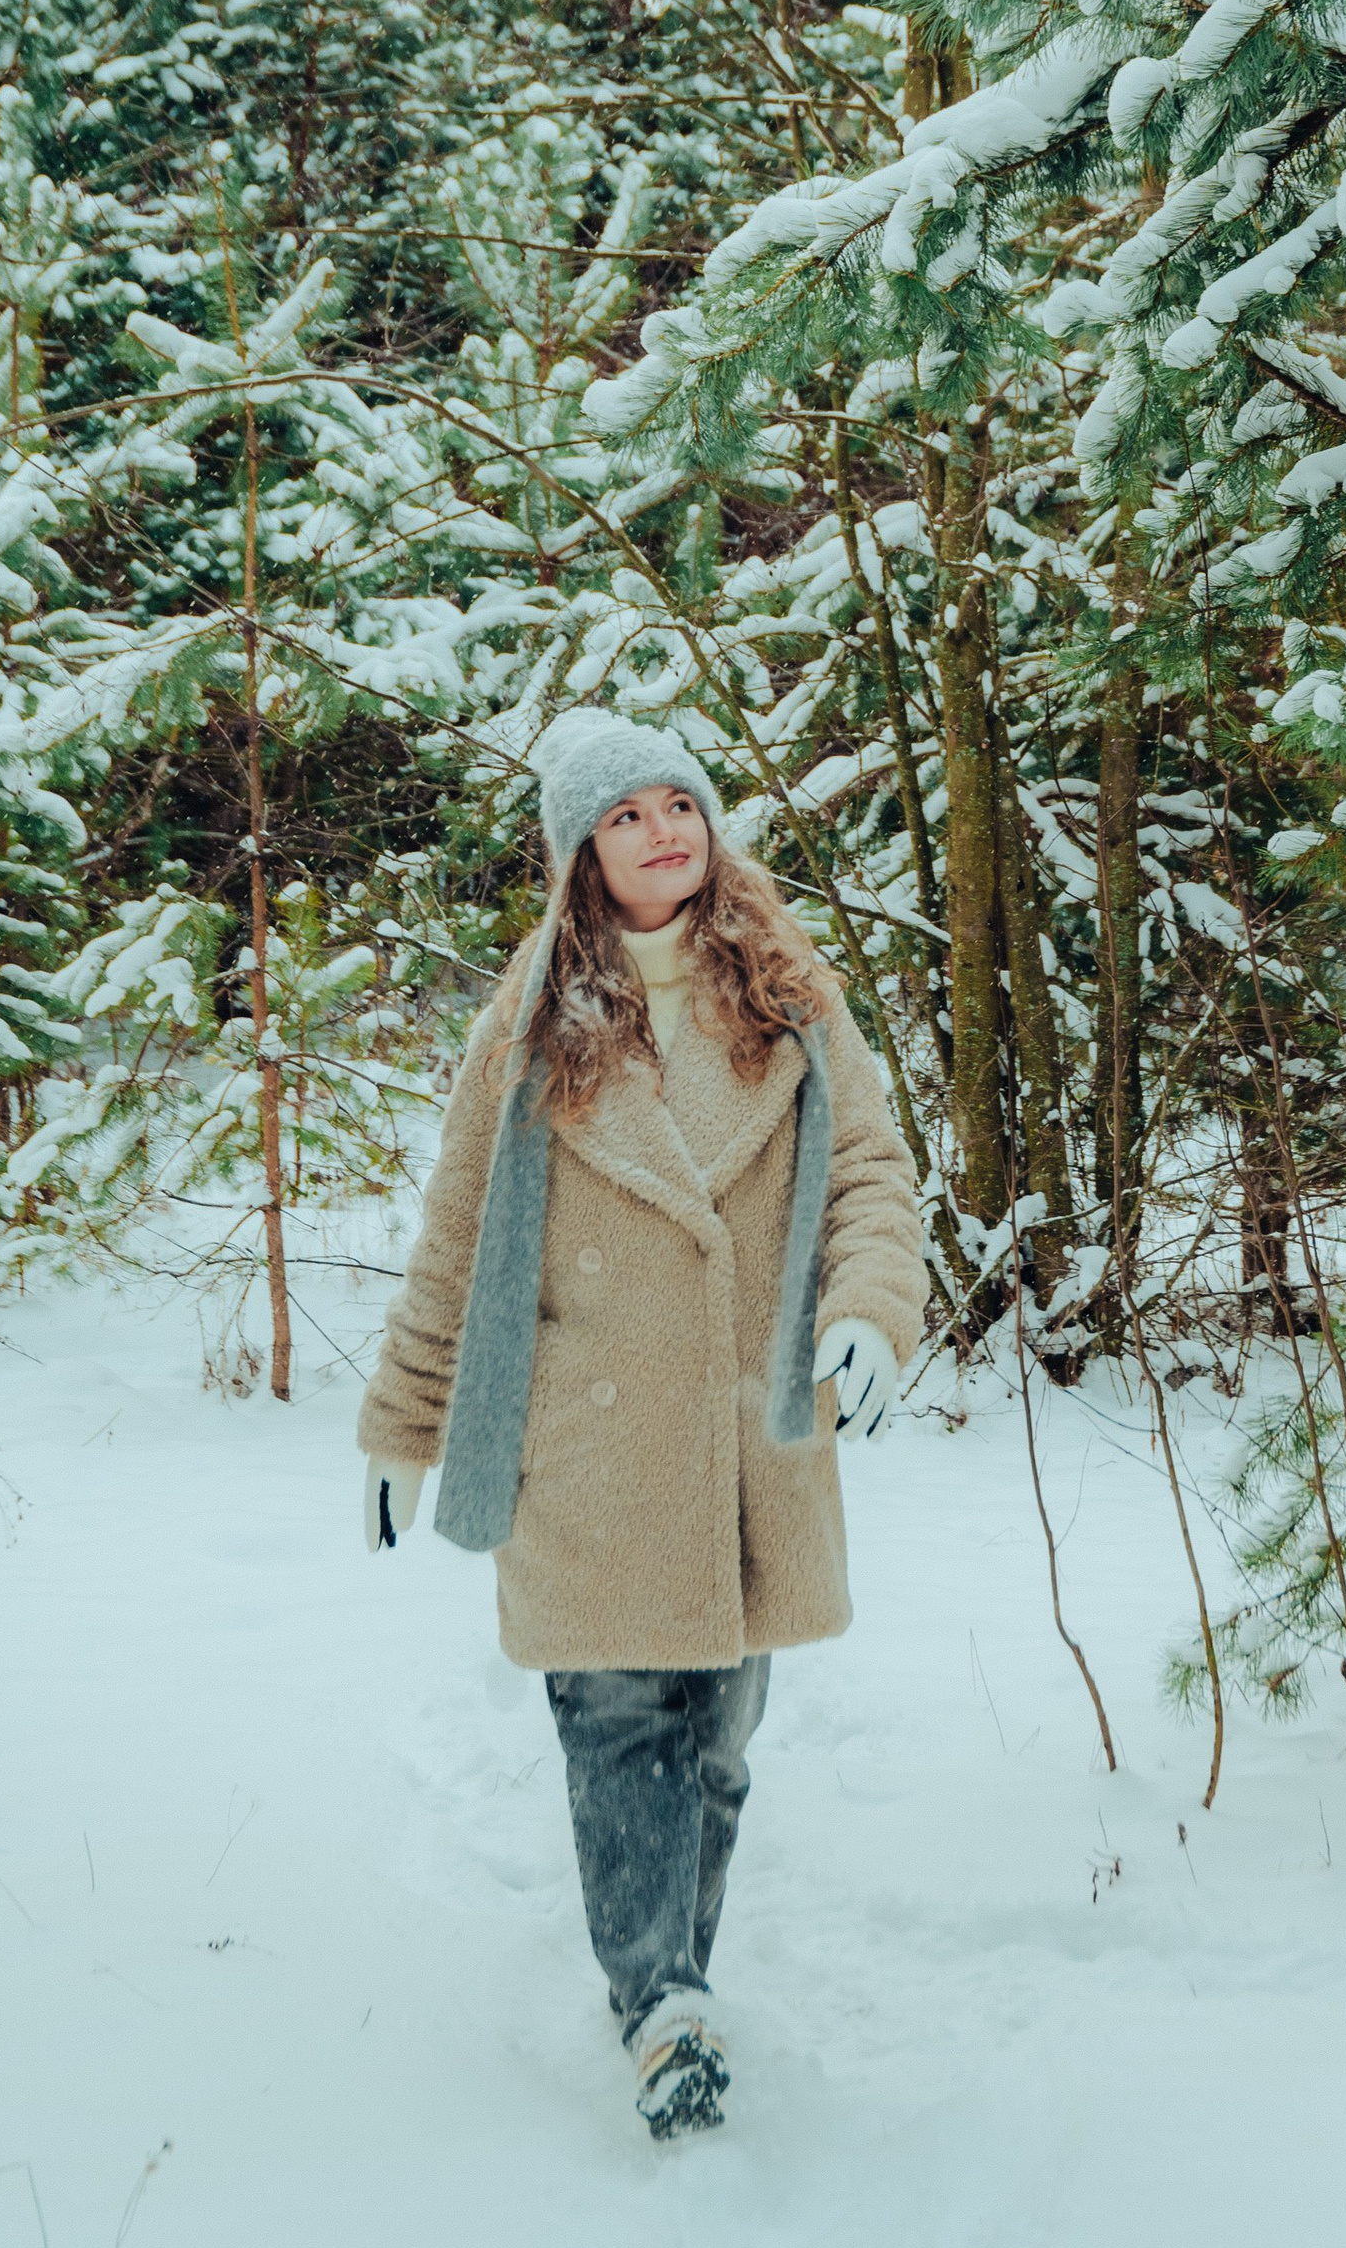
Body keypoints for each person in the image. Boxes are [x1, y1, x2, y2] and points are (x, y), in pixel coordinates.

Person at [357, 710, 927, 2138]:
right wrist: (402, 1425)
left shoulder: (790, 990)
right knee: (621, 1731)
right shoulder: (534, 1021)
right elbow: (457, 1240)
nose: (666, 831)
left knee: (720, 1735)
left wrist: (868, 1309)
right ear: (578, 856)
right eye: (628, 816)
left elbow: (868, 1166)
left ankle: (680, 1982)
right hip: (588, 1446)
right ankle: (661, 2006)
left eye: (681, 803)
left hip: (748, 1443)